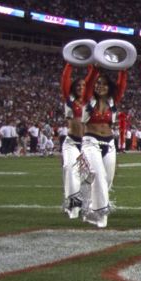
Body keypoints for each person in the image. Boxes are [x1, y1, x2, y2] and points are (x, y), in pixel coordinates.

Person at [77, 64, 128, 228]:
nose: (100, 86)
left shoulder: (113, 101)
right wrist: (94, 70)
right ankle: (101, 215)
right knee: (98, 175)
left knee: (107, 180)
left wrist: (123, 68)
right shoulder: (88, 100)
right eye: (98, 83)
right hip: (91, 142)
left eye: (104, 84)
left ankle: (91, 209)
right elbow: (89, 81)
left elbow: (122, 82)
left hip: (109, 143)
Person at [60, 63, 91, 219]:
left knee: (88, 175)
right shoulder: (70, 100)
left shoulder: (90, 102)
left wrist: (93, 67)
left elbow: (92, 80)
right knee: (70, 170)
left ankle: (86, 204)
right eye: (78, 85)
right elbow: (65, 79)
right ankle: (73, 204)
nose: (80, 87)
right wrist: (71, 63)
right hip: (72, 142)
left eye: (84, 85)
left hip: (87, 144)